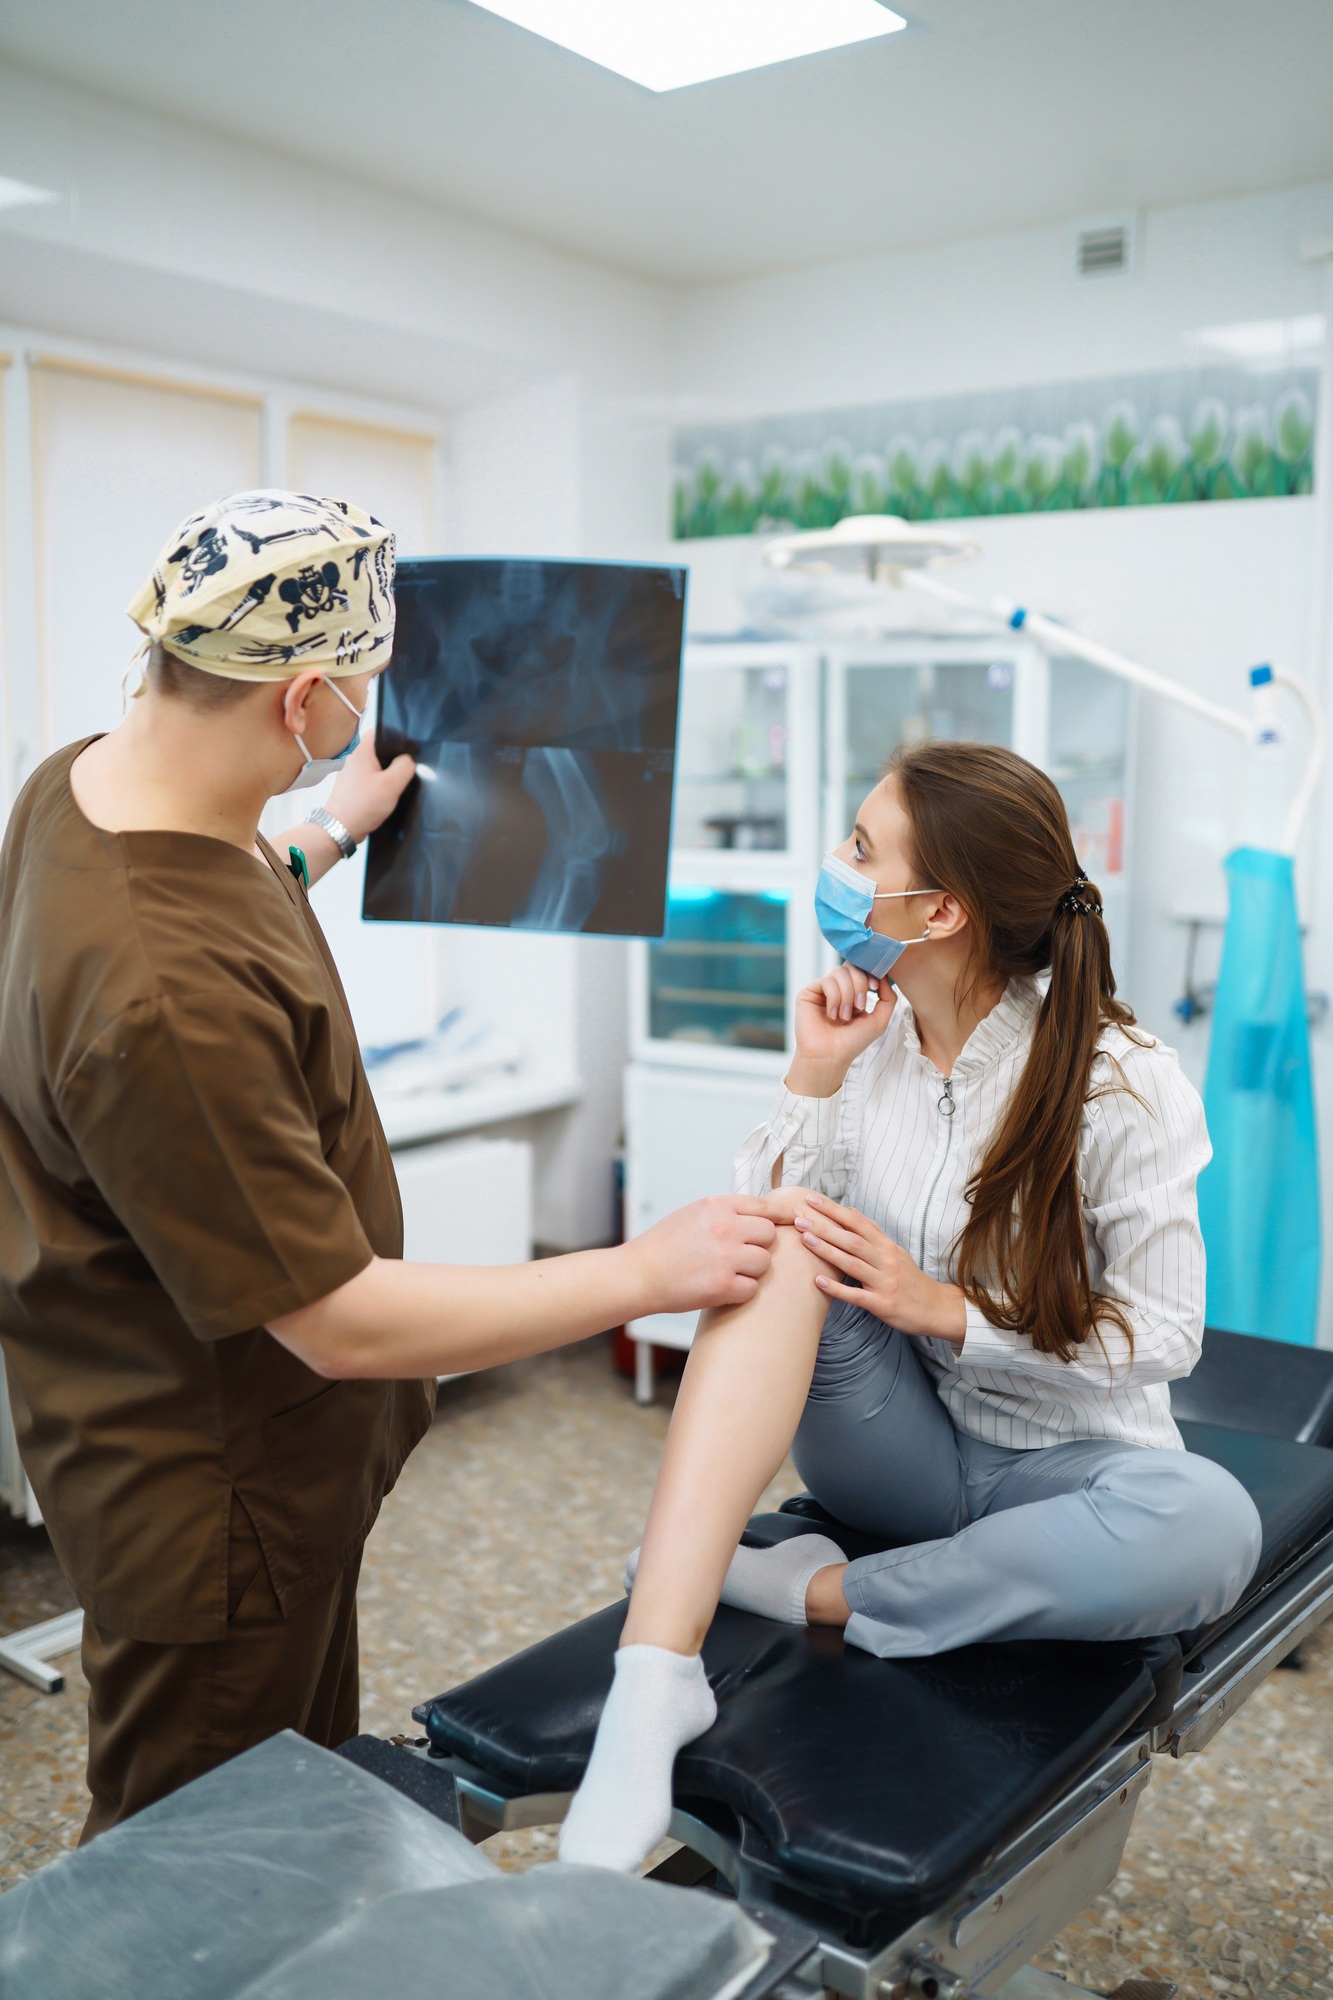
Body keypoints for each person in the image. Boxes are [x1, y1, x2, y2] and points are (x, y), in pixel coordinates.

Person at [0, 490, 777, 1837]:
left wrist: (330, 828)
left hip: (242, 1459)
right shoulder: (163, 1000)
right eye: (364, 685)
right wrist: (641, 1267)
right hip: (215, 1503)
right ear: (300, 699)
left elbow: (219, 882)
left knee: (300, 1816)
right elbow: (344, 1321)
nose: (374, 707)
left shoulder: (89, 780)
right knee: (191, 1871)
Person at [558, 739, 1264, 1873]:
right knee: (781, 1234)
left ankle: (812, 1586)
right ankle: (654, 1680)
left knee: (1212, 1523)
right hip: (901, 1452)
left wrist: (951, 1311)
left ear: (936, 911)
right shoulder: (873, 1044)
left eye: (856, 847)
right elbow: (742, 1244)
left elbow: (1166, 1332)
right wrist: (816, 1069)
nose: (832, 865)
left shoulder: (1117, 1081)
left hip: (1071, 1468)